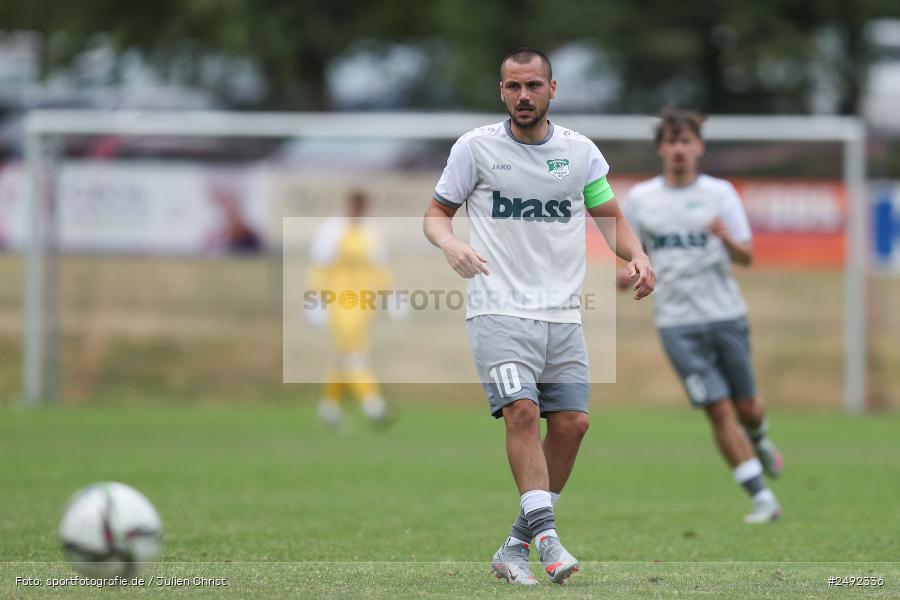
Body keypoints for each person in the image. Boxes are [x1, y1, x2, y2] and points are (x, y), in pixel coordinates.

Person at [423, 47, 655, 585]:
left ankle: (514, 547)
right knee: (522, 413)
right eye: (513, 87)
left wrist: (638, 255)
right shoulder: (475, 148)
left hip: (562, 317)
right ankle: (548, 539)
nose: (523, 96)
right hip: (498, 309)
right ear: (500, 91)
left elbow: (611, 219)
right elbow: (436, 213)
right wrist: (450, 245)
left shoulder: (580, 153)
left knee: (573, 425)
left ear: (553, 89)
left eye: (533, 85)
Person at [619, 109, 784, 524]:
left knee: (747, 406)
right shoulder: (641, 198)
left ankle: (760, 439)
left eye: (686, 141)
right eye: (671, 141)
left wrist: (727, 239)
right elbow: (633, 251)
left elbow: (747, 256)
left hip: (725, 314)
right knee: (717, 408)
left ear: (699, 147)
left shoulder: (721, 194)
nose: (679, 149)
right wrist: (627, 274)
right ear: (661, 148)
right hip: (676, 322)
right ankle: (761, 497)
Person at [307, 190, 391, 428]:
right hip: (339, 304)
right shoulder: (331, 231)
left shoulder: (371, 233)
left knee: (344, 358)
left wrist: (391, 295)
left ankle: (329, 408)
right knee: (355, 355)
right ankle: (374, 405)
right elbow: (319, 269)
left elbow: (380, 269)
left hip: (364, 305)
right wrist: (313, 302)